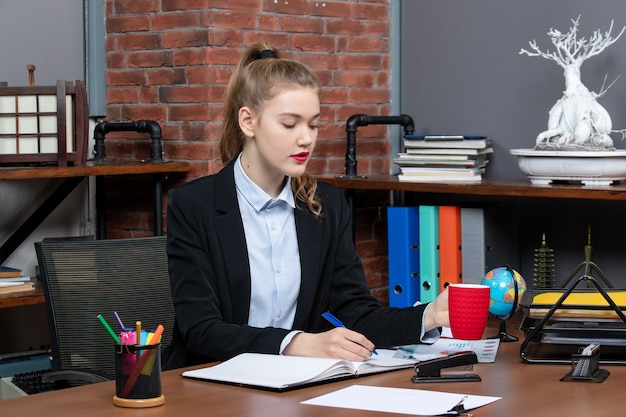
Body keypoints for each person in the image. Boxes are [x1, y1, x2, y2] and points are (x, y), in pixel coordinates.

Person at [162, 41, 450, 370]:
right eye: (290, 124)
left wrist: (431, 314)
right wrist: (297, 342)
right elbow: (201, 330)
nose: (306, 139)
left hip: (294, 385)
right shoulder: (193, 205)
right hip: (209, 383)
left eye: (313, 124)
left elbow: (355, 314)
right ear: (248, 122)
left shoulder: (328, 204)